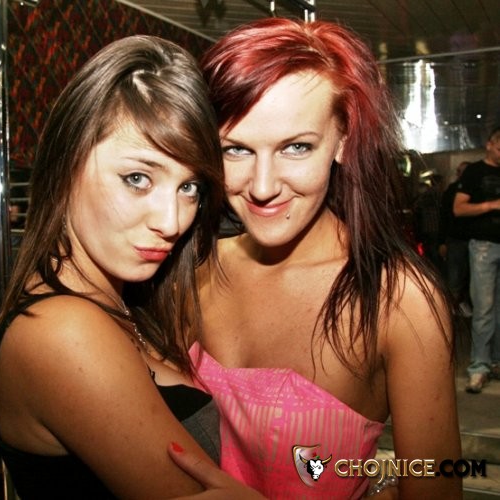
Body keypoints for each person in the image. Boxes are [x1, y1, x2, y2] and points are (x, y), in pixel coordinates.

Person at [177, 18, 461, 499]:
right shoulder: (198, 268)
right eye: (236, 149)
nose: (262, 186)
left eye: (296, 147)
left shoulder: (399, 300)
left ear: (343, 139)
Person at [0, 35, 259, 498]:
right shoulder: (62, 331)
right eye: (137, 178)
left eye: (189, 187)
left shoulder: (127, 304)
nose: (172, 221)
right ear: (68, 162)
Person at [454, 126, 500, 393]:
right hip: (483, 246)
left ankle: (495, 361)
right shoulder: (474, 172)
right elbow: (458, 209)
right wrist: (491, 205)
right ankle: (479, 366)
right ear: (489, 144)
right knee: (483, 308)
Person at [438, 161, 471, 314]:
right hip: (456, 239)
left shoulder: (475, 189)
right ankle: (452, 309)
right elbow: (444, 217)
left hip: (473, 239)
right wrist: (442, 242)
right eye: (459, 171)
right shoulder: (452, 191)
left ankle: (463, 305)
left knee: (470, 277)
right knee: (454, 277)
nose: (460, 174)